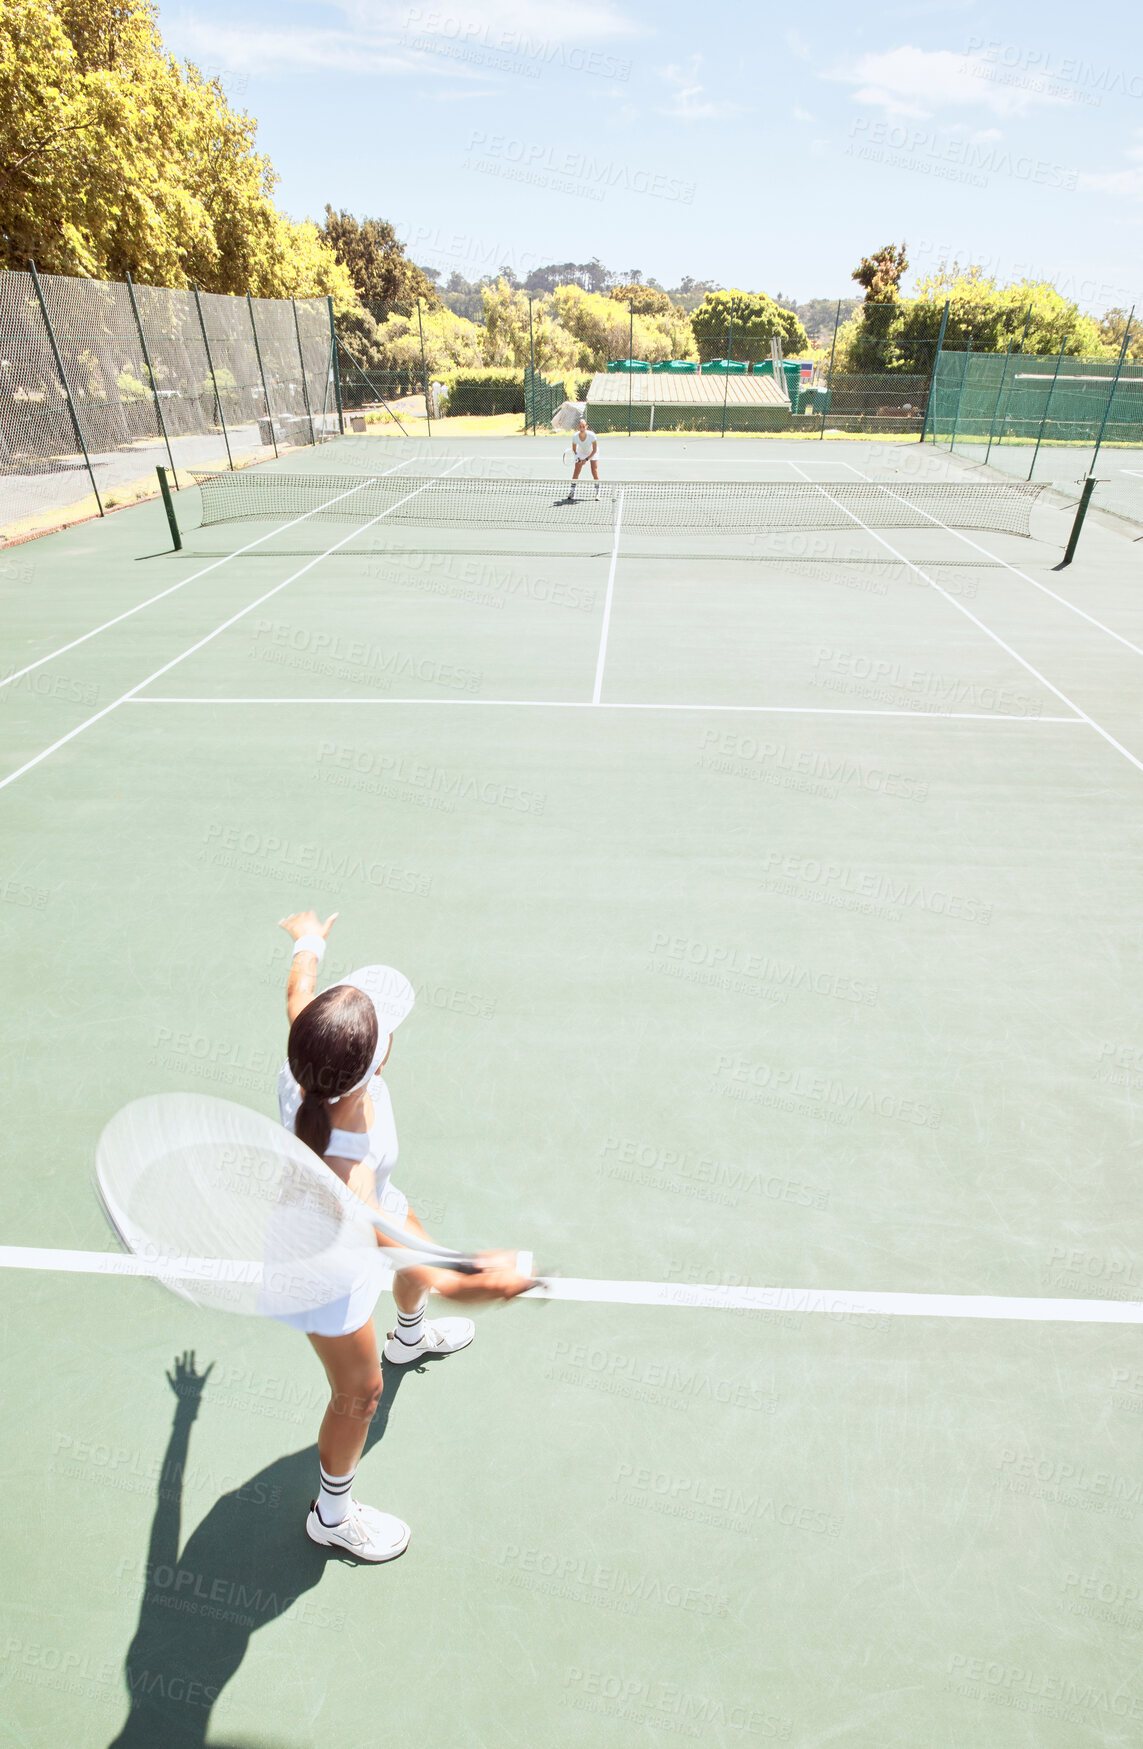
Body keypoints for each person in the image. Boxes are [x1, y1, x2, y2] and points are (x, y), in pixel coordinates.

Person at [276, 909, 533, 1563]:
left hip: (369, 1214)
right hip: (327, 1272)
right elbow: (413, 1257)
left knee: (409, 1236)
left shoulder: (309, 1055)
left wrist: (309, 940)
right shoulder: (350, 1168)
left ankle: (409, 1336)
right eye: (385, 1033)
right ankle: (331, 1514)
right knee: (359, 1394)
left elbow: (298, 993)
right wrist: (482, 1277)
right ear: (373, 1062)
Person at [567, 417, 601, 501]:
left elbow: (595, 450)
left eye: (583, 426)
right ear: (578, 427)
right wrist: (578, 458)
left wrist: (586, 460)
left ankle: (597, 493)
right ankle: (572, 492)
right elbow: (574, 450)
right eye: (580, 426)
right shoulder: (575, 436)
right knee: (576, 471)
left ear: (586, 427)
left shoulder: (592, 436)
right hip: (581, 452)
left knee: (594, 470)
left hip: (592, 452)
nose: (581, 428)